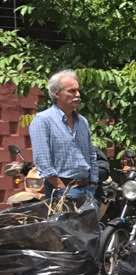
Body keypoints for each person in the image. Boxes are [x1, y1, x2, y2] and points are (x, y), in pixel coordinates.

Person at [27, 69, 98, 202]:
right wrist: (61, 187)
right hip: (61, 190)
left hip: (87, 189)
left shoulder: (82, 121)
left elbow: (91, 154)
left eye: (78, 90)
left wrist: (93, 182)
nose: (77, 94)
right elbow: (42, 160)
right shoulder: (43, 120)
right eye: (71, 91)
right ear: (56, 94)